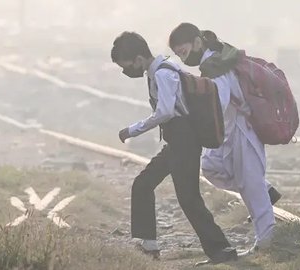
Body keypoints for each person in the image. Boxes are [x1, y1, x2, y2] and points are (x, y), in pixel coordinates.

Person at [111, 31, 237, 264]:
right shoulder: (160, 69)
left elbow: (166, 111)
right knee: (143, 184)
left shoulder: (162, 74)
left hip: (184, 140)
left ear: (139, 59)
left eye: (127, 66)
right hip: (177, 141)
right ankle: (148, 246)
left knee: (188, 198)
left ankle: (222, 250)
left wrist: (133, 130)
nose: (127, 71)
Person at [168, 23, 281, 252]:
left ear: (197, 43)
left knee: (251, 184)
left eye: (184, 51)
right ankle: (266, 192)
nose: (183, 57)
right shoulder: (213, 61)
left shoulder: (214, 66)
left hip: (242, 129)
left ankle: (268, 242)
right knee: (211, 166)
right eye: (179, 54)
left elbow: (219, 101)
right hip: (230, 130)